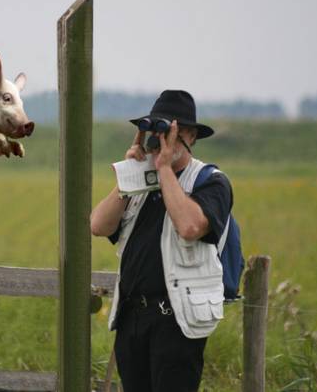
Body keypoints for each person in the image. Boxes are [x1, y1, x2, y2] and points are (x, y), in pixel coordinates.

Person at [90, 90, 233, 392]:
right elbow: (98, 225)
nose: (158, 141)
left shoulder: (211, 181)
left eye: (167, 132)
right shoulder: (141, 180)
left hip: (177, 319)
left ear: (190, 136)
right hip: (132, 318)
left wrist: (165, 169)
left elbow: (190, 226)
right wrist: (129, 177)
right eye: (153, 131)